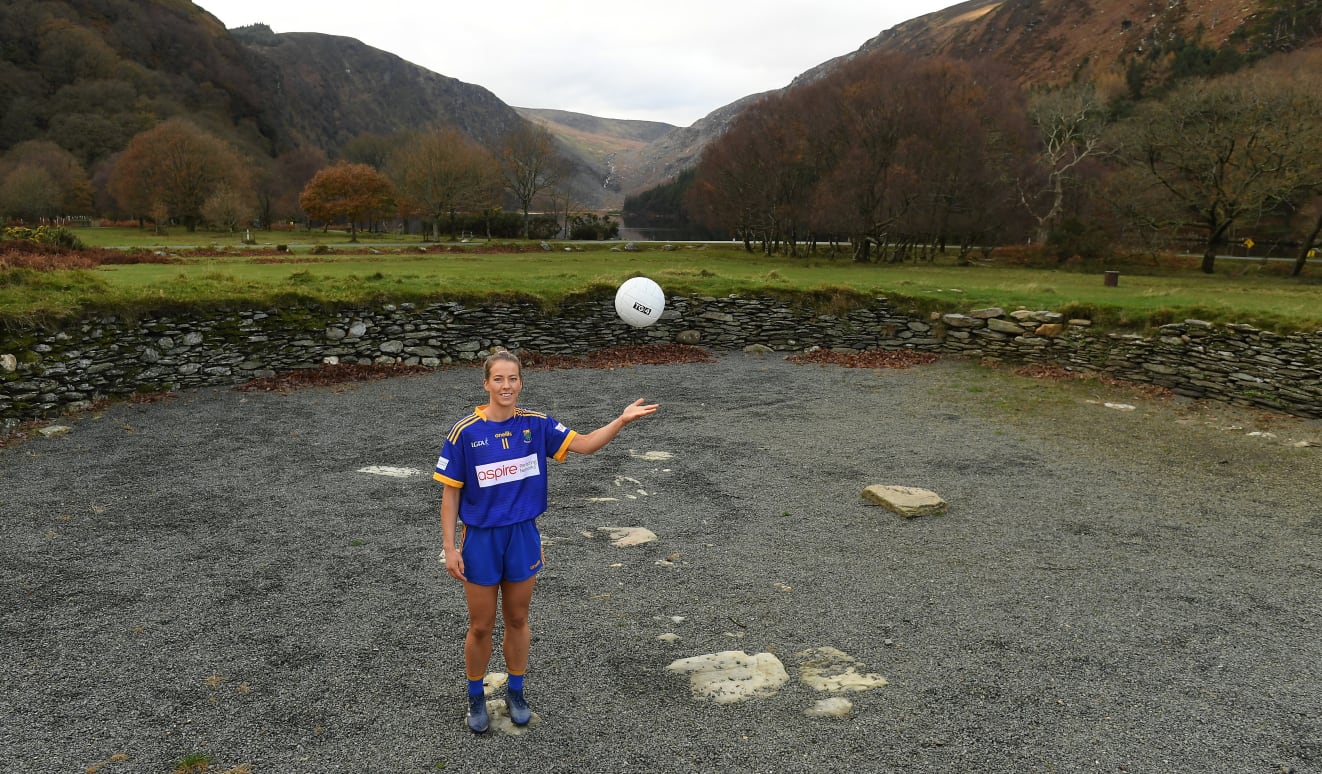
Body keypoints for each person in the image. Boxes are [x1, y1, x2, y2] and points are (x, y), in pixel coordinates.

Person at [433, 349, 658, 733]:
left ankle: (515, 691)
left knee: (518, 618)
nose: (506, 386)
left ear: (521, 382)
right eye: (499, 379)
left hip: (522, 536)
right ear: (486, 384)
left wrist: (620, 420)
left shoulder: (536, 425)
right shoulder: (465, 432)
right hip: (481, 540)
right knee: (481, 626)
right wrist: (451, 547)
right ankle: (475, 696)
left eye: (513, 379)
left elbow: (584, 444)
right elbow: (450, 495)